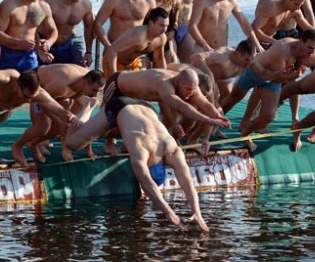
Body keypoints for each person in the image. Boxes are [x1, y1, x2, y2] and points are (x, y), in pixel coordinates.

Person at [65, 96, 208, 232]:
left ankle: (106, 127)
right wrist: (168, 212)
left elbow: (187, 181)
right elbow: (147, 184)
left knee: (119, 131)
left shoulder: (171, 148)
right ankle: (88, 105)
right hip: (118, 106)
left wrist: (197, 212)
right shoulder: (141, 152)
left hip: (147, 107)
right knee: (72, 143)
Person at [220, 30, 315, 147]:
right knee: (233, 99)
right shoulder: (283, 48)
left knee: (268, 117)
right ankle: (212, 124)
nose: (312, 52)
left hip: (272, 80)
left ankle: (245, 134)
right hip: (255, 72)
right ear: (301, 41)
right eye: (309, 47)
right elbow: (271, 77)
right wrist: (293, 76)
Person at [102, 68, 229, 144]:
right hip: (117, 85)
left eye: (192, 90)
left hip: (136, 97)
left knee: (138, 124)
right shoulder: (165, 85)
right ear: (178, 81)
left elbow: (206, 104)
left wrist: (218, 116)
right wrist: (209, 120)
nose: (190, 93)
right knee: (104, 124)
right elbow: (182, 107)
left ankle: (126, 146)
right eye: (187, 89)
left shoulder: (189, 84)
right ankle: (105, 140)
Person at [12, 64, 104, 163]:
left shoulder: (85, 84)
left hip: (61, 95)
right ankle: (17, 146)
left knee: (65, 124)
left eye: (99, 92)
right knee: (43, 127)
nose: (95, 95)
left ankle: (34, 143)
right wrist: (59, 122)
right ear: (85, 83)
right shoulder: (61, 84)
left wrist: (88, 149)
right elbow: (44, 102)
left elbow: (81, 119)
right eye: (94, 91)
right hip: (41, 90)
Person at [93, 0, 157, 74]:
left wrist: (148, 45)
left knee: (135, 90)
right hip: (115, 55)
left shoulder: (149, 0)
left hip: (135, 58)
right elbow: (98, 23)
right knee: (114, 89)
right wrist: (108, 46)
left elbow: (154, 25)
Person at [0, 0, 57, 72]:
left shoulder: (43, 6)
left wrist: (49, 42)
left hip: (29, 56)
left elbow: (53, 30)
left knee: (31, 84)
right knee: (7, 85)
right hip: (8, 54)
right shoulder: (9, 4)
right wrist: (18, 42)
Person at [188, 0, 261, 54]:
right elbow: (192, 26)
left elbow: (244, 22)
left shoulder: (231, 2)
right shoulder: (203, 1)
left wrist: (256, 42)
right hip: (202, 48)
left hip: (221, 49)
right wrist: (205, 46)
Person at [103, 7, 170, 77]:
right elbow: (112, 50)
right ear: (151, 23)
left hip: (133, 64)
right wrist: (113, 76)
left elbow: (159, 59)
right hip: (115, 61)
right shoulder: (137, 35)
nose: (164, 30)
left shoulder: (162, 38)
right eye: (161, 25)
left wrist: (163, 77)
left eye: (166, 26)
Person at [44, 0, 94, 66]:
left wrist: (88, 52)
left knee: (79, 74)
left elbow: (89, 27)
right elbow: (34, 28)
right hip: (47, 46)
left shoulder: (85, 5)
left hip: (68, 44)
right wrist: (40, 51)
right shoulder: (50, 3)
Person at [251, 0, 315, 45]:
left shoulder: (296, 11)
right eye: (296, 4)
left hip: (271, 42)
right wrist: (275, 42)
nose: (298, 8)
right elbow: (254, 28)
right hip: (257, 42)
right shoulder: (271, 7)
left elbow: (307, 27)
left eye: (300, 5)